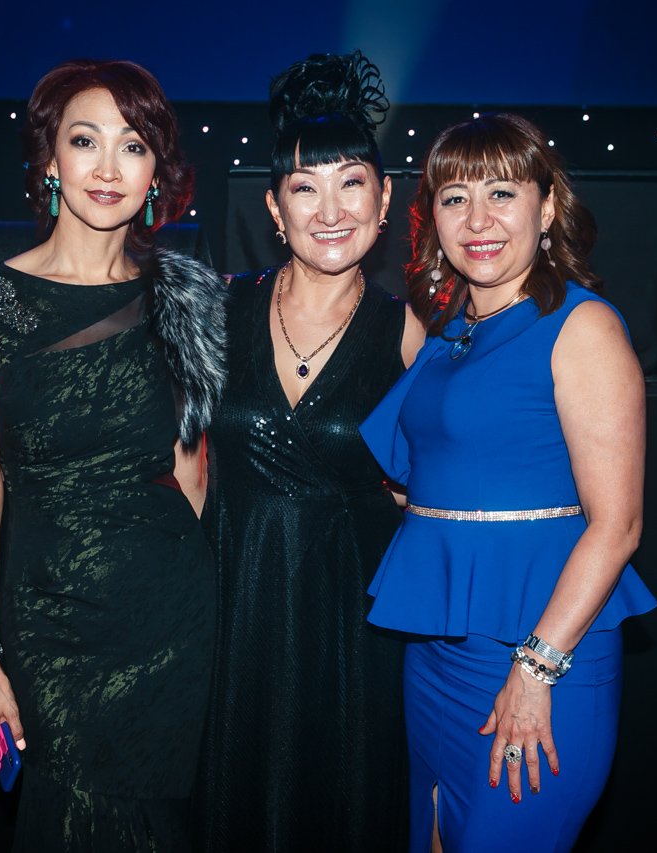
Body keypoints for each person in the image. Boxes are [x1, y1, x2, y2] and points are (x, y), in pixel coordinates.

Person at [0, 58, 227, 852]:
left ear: (155, 173)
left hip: (170, 622)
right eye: (85, 140)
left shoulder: (185, 295)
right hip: (52, 627)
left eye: (133, 147)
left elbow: (194, 471)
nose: (107, 168)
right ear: (50, 160)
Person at [358, 113, 657, 852]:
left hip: (540, 657)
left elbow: (618, 525)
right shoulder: (450, 332)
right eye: (455, 197)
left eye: (501, 192)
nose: (478, 219)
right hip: (437, 654)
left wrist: (535, 668)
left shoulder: (581, 327)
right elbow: (423, 483)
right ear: (434, 219)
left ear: (546, 207)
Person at [192, 51, 426, 852]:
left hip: (352, 633)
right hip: (234, 615)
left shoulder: (407, 334)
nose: (330, 210)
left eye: (351, 183)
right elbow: (183, 475)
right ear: (274, 206)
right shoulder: (218, 312)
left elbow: (427, 493)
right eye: (304, 187)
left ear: (384, 198)